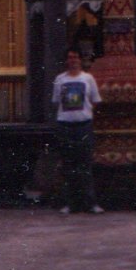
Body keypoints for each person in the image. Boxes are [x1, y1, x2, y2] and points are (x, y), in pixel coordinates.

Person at [51, 49, 102, 213]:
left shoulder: (88, 78)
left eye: (75, 57)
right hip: (65, 125)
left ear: (80, 60)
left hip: (83, 125)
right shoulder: (60, 79)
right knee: (68, 165)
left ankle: (90, 203)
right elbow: (56, 101)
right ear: (66, 60)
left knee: (85, 165)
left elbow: (95, 100)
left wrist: (84, 113)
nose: (73, 60)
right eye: (70, 57)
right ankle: (69, 203)